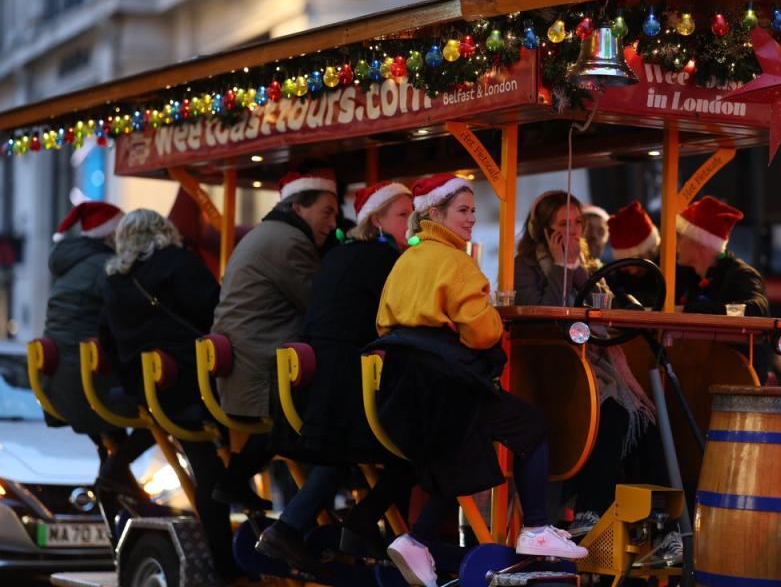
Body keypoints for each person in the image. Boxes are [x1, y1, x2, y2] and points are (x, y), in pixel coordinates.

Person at [372, 174, 587, 587]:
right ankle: (538, 526)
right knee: (532, 426)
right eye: (463, 210)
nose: (471, 218)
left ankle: (415, 541)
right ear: (435, 213)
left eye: (472, 210)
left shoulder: (406, 259)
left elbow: (382, 321)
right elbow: (484, 332)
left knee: (463, 448)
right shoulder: (456, 261)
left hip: (406, 386)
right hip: (446, 383)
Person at [255, 181, 416, 567]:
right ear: (376, 220)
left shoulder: (341, 256)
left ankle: (310, 527)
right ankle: (370, 529)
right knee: (419, 445)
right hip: (349, 381)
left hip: (323, 385)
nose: (413, 224)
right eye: (404, 216)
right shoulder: (386, 262)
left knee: (349, 452)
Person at [99, 209, 239, 582]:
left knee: (204, 469)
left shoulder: (115, 280)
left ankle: (227, 558)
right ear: (164, 230)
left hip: (146, 387)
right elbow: (216, 311)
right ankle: (228, 561)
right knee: (214, 471)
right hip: (194, 383)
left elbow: (107, 339)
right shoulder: (177, 263)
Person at [515, 191, 658, 536]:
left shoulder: (589, 264)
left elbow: (601, 309)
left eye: (577, 222)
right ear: (544, 231)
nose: (574, 231)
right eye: (564, 225)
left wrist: (576, 267)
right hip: (550, 365)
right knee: (611, 413)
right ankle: (590, 510)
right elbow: (541, 317)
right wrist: (561, 268)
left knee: (644, 417)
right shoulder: (527, 265)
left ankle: (655, 519)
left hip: (593, 360)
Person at [212, 169, 339, 508]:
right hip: (261, 363)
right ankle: (313, 514)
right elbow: (319, 303)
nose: (333, 223)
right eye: (326, 212)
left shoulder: (271, 233)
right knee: (333, 412)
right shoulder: (290, 242)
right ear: (299, 208)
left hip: (249, 357)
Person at [41, 202, 154, 495]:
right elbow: (132, 317)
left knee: (112, 447)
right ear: (111, 234)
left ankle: (114, 480)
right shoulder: (104, 267)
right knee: (168, 409)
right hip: (89, 382)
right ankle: (114, 473)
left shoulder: (75, 265)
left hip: (63, 381)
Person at [675, 196, 771, 376]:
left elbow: (754, 309)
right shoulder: (693, 279)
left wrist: (690, 311)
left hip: (738, 379)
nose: (676, 244)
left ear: (698, 242)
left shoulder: (741, 274)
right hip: (704, 377)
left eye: (681, 237)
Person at [604, 200, 665, 310]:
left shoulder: (668, 267)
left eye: (640, 259)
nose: (633, 270)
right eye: (627, 262)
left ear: (651, 251)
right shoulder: (616, 277)